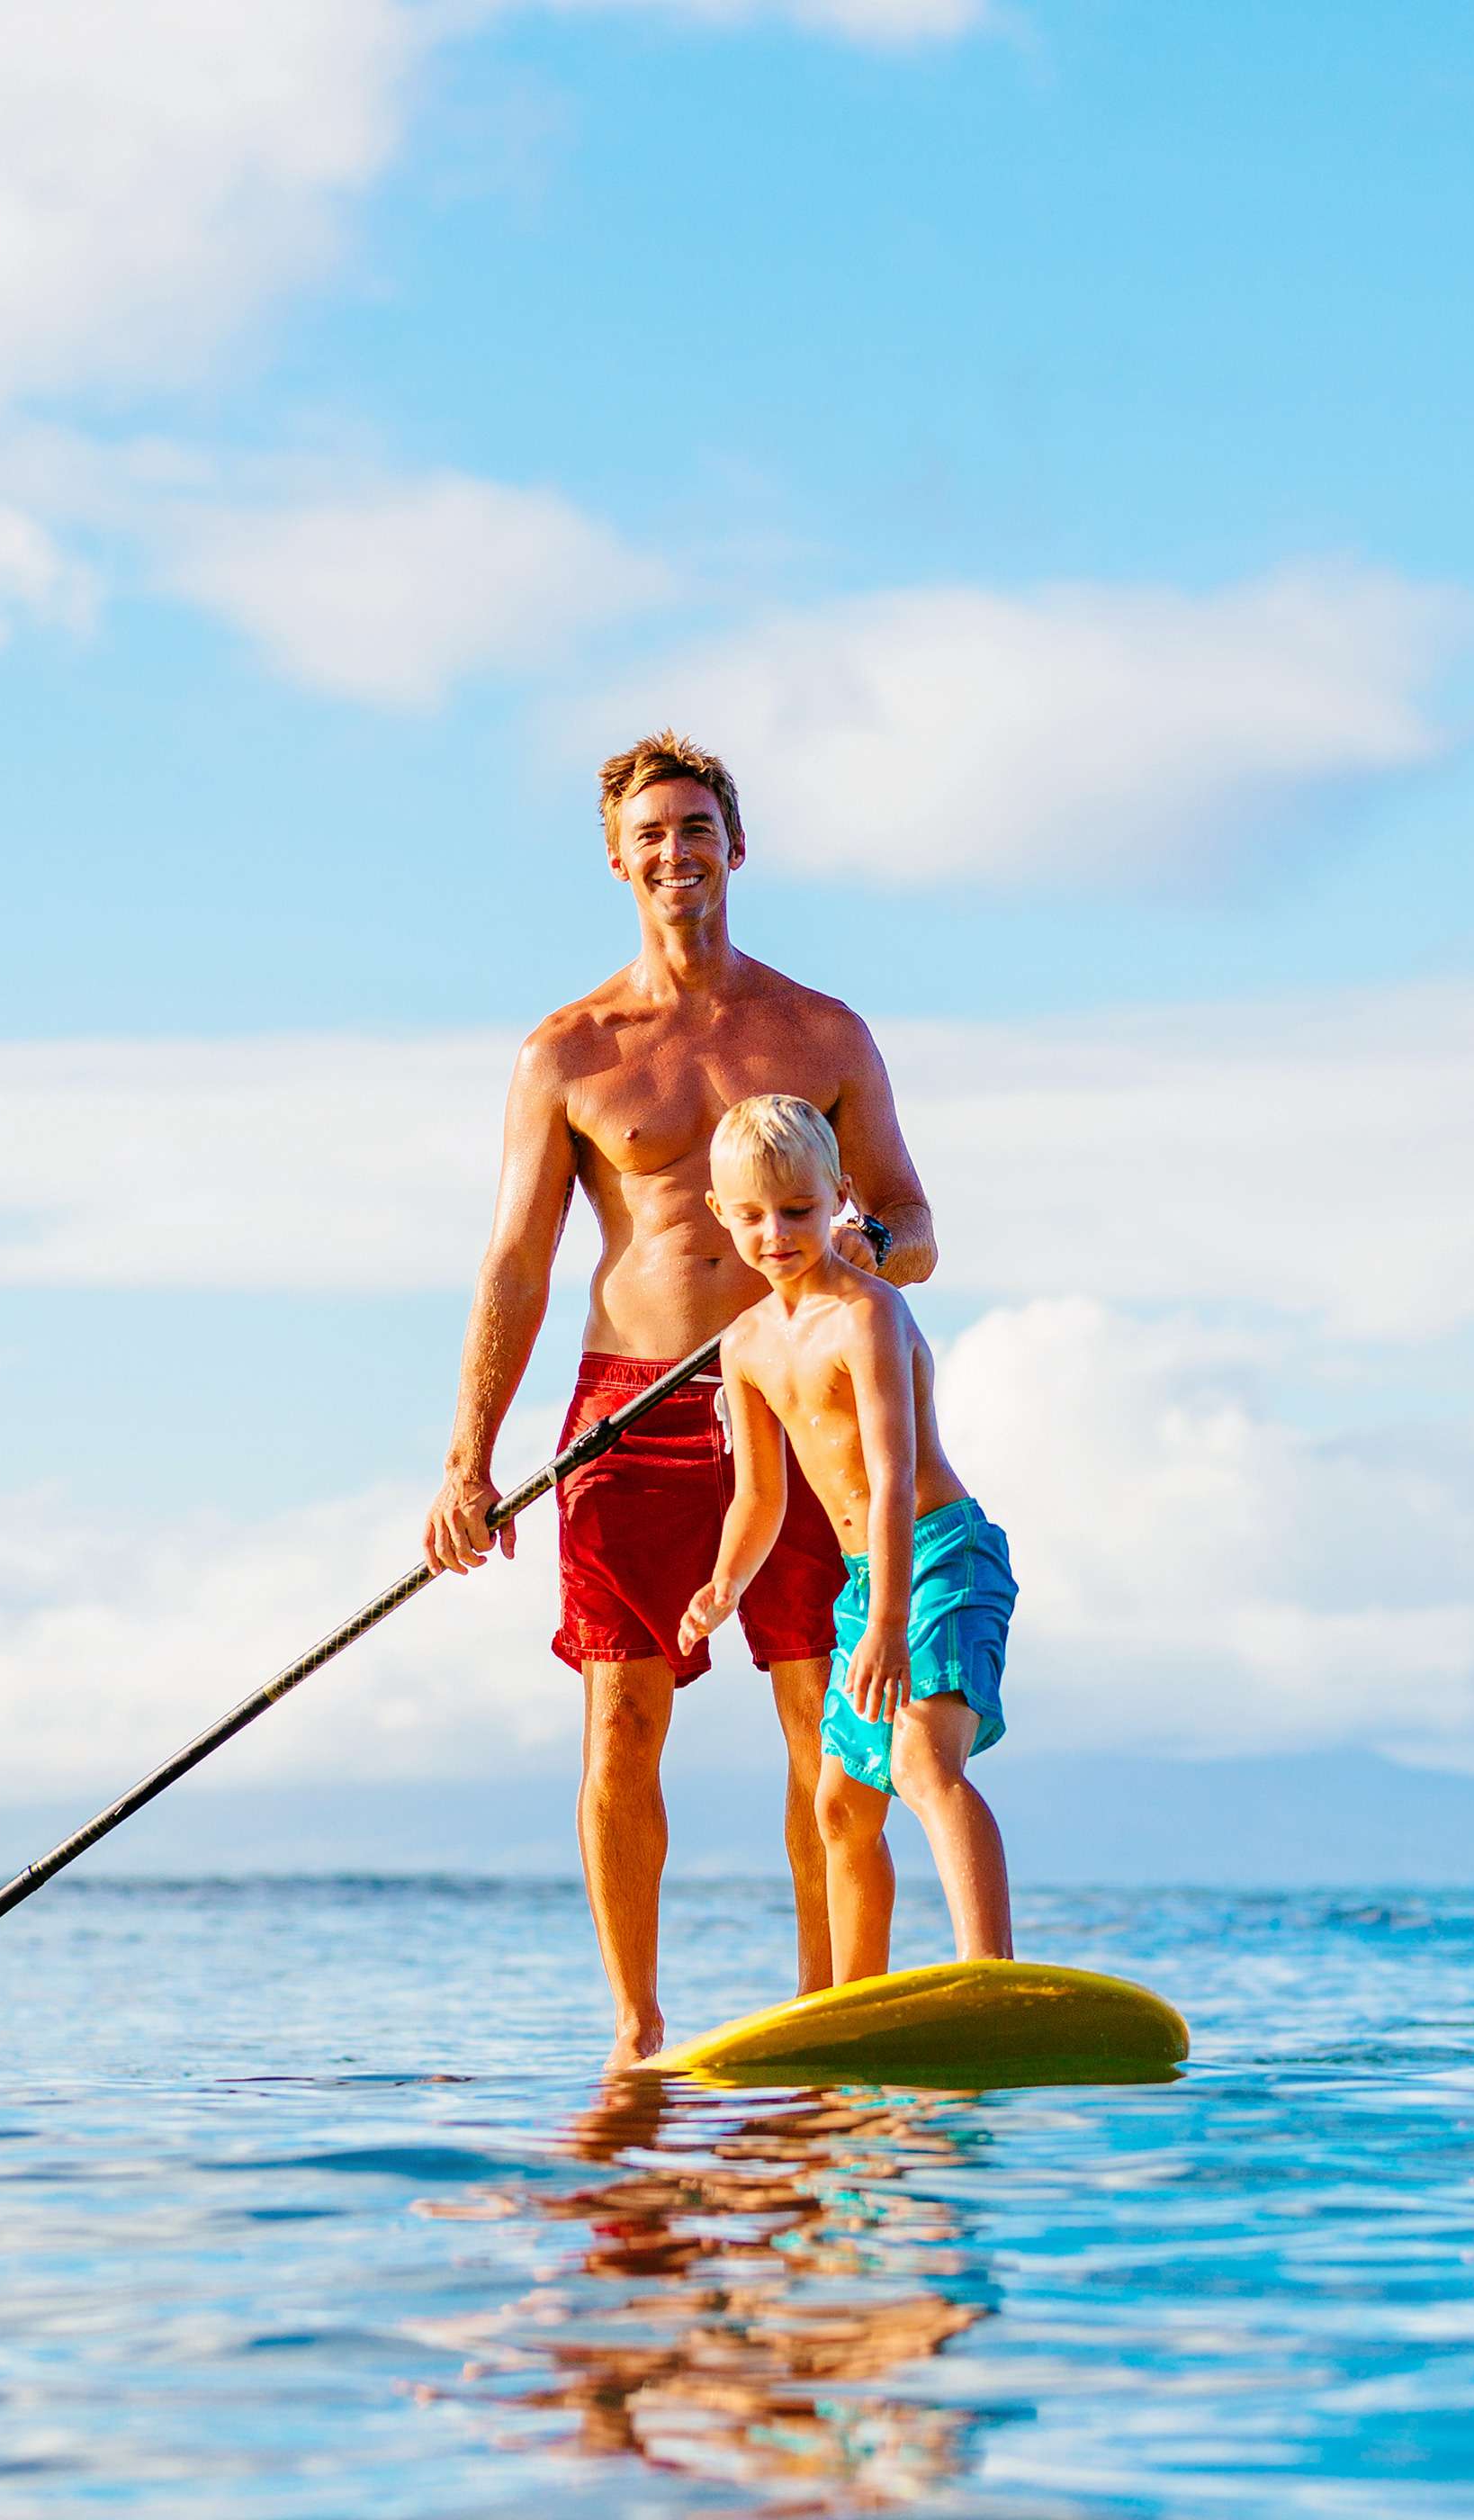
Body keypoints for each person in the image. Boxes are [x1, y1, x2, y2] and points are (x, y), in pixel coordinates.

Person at [425, 736, 939, 2069]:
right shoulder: (569, 1052)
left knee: (825, 1708)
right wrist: (466, 1460)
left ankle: (832, 2010)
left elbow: (915, 1223)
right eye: (650, 832)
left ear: (736, 846)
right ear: (616, 858)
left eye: (697, 826)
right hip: (626, 1411)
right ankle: (638, 2029)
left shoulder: (823, 1033)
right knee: (622, 1716)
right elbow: (516, 1260)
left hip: (798, 1391)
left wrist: (861, 1252)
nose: (676, 851)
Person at [679, 1095, 1015, 1984]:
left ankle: (989, 1976)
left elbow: (894, 1474)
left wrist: (890, 1621)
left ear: (840, 1196)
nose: (776, 1232)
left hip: (937, 1558)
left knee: (919, 1762)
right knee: (838, 1806)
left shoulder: (867, 1314)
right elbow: (759, 1496)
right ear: (719, 1213)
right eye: (751, 1215)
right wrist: (722, 1585)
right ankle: (856, 2002)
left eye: (797, 1209)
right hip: (869, 1583)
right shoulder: (744, 1344)